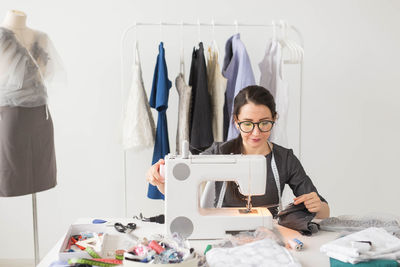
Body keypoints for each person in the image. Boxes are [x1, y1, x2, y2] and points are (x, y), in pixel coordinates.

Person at [146, 85, 330, 219]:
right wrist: (162, 180)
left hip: (269, 235)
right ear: (236, 121)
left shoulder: (285, 159)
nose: (256, 132)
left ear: (275, 119)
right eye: (248, 124)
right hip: (222, 233)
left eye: (265, 123)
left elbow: (325, 211)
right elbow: (180, 190)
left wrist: (316, 206)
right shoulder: (219, 152)